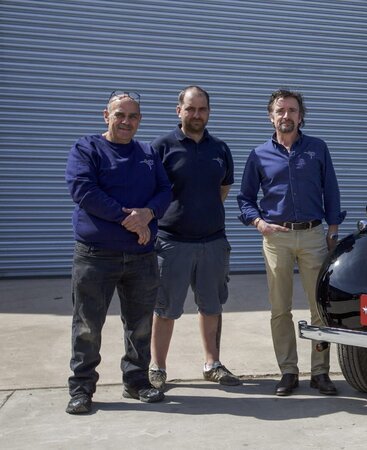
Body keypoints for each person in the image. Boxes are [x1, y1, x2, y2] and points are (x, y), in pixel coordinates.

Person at [64, 91, 171, 414]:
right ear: (106, 115)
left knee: (139, 325)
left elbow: (165, 190)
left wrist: (149, 215)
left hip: (141, 257)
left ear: (139, 120)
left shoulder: (147, 153)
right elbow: (83, 190)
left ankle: (136, 381)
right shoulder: (87, 148)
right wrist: (130, 219)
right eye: (119, 115)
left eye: (133, 116)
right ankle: (82, 388)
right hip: (96, 256)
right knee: (87, 325)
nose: (126, 121)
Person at [237, 89, 345, 396]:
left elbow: (331, 189)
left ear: (301, 115)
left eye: (292, 110)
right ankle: (287, 371)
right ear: (271, 116)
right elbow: (245, 198)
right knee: (280, 308)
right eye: (280, 110)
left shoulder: (317, 149)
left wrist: (333, 230)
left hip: (313, 235)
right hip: (276, 238)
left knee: (319, 307)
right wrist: (258, 222)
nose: (287, 116)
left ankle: (321, 372)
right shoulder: (259, 155)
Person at [148, 86, 239, 390]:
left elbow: (223, 190)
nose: (196, 115)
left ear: (209, 112)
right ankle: (157, 367)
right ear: (179, 111)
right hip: (172, 242)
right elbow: (151, 193)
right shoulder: (161, 147)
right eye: (190, 109)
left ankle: (212, 364)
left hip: (212, 241)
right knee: (166, 308)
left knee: (211, 306)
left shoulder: (220, 149)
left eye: (202, 109)